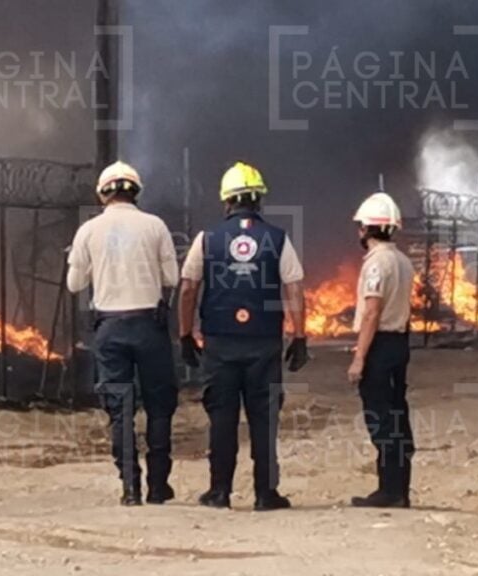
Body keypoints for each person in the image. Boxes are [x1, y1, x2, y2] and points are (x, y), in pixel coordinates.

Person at [177, 162, 309, 511]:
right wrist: (299, 336)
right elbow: (294, 288)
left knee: (222, 418)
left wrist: (185, 334)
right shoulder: (278, 239)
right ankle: (266, 493)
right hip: (264, 342)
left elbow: (188, 288)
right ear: (258, 201)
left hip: (220, 343)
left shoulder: (206, 239)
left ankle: (219, 491)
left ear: (227, 203)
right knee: (264, 419)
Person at [67, 161, 180, 506]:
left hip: (110, 328)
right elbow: (173, 279)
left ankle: (130, 489)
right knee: (160, 407)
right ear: (136, 192)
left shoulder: (88, 231)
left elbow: (75, 284)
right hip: (149, 326)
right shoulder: (155, 225)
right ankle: (158, 487)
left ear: (103, 193)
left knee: (120, 410)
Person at [347, 192, 416, 508]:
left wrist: (359, 357)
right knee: (397, 412)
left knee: (381, 416)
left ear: (366, 229)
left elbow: (372, 311)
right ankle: (399, 488)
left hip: (381, 346)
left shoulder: (377, 263)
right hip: (399, 343)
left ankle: (389, 491)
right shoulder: (402, 260)